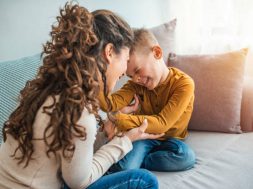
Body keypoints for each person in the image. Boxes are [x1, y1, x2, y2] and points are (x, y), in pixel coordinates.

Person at [0, 3, 163, 189]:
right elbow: (78, 182)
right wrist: (125, 141)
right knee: (144, 181)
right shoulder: (78, 111)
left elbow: (73, 151)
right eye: (126, 60)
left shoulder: (53, 88)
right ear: (109, 52)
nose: (125, 72)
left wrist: (109, 128)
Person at [99, 28, 196, 173]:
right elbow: (110, 103)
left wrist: (117, 119)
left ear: (157, 53)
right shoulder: (136, 84)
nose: (136, 79)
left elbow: (162, 124)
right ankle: (135, 159)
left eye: (137, 70)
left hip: (171, 139)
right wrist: (98, 82)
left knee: (185, 157)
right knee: (125, 168)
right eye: (130, 76)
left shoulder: (184, 84)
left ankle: (141, 160)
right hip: (143, 136)